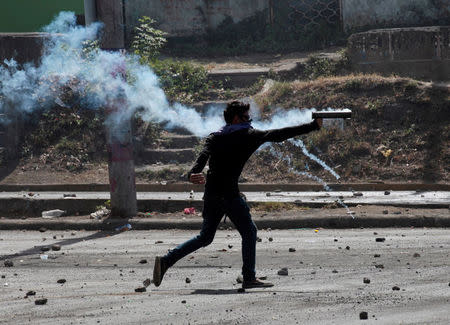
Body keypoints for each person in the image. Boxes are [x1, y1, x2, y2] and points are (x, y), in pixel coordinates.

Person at [152, 101, 322, 289]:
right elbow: (279, 134)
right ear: (236, 118)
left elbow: (203, 155)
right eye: (246, 116)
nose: (250, 120)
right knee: (249, 232)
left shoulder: (216, 136)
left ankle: (166, 261)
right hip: (229, 195)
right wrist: (313, 126)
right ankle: (249, 278)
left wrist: (192, 173)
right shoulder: (248, 135)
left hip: (212, 194)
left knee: (205, 237)